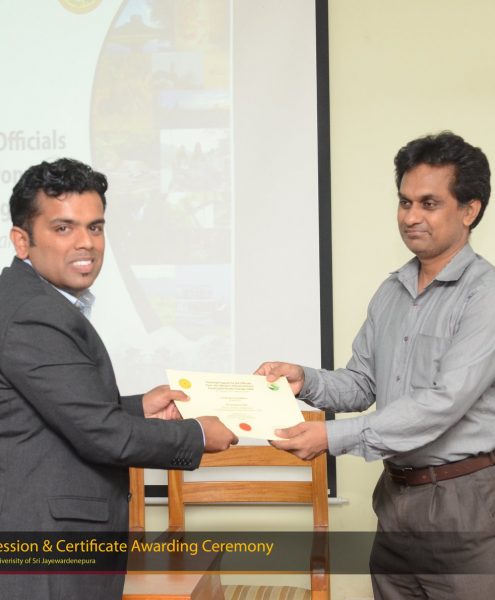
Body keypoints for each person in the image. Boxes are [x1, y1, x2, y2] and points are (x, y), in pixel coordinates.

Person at [257, 132, 495, 599]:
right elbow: (362, 382)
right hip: (394, 500)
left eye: (429, 203)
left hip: (461, 503)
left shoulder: (485, 296)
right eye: (405, 202)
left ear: (470, 210)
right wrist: (304, 379)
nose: (410, 217)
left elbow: (443, 403)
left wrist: (331, 437)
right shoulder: (391, 290)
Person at [0, 158, 238, 600]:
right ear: (21, 240)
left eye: (95, 227)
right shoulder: (35, 312)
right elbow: (101, 434)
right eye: (64, 228)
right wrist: (199, 434)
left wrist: (138, 407)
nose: (86, 243)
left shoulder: (29, 299)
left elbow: (55, 411)